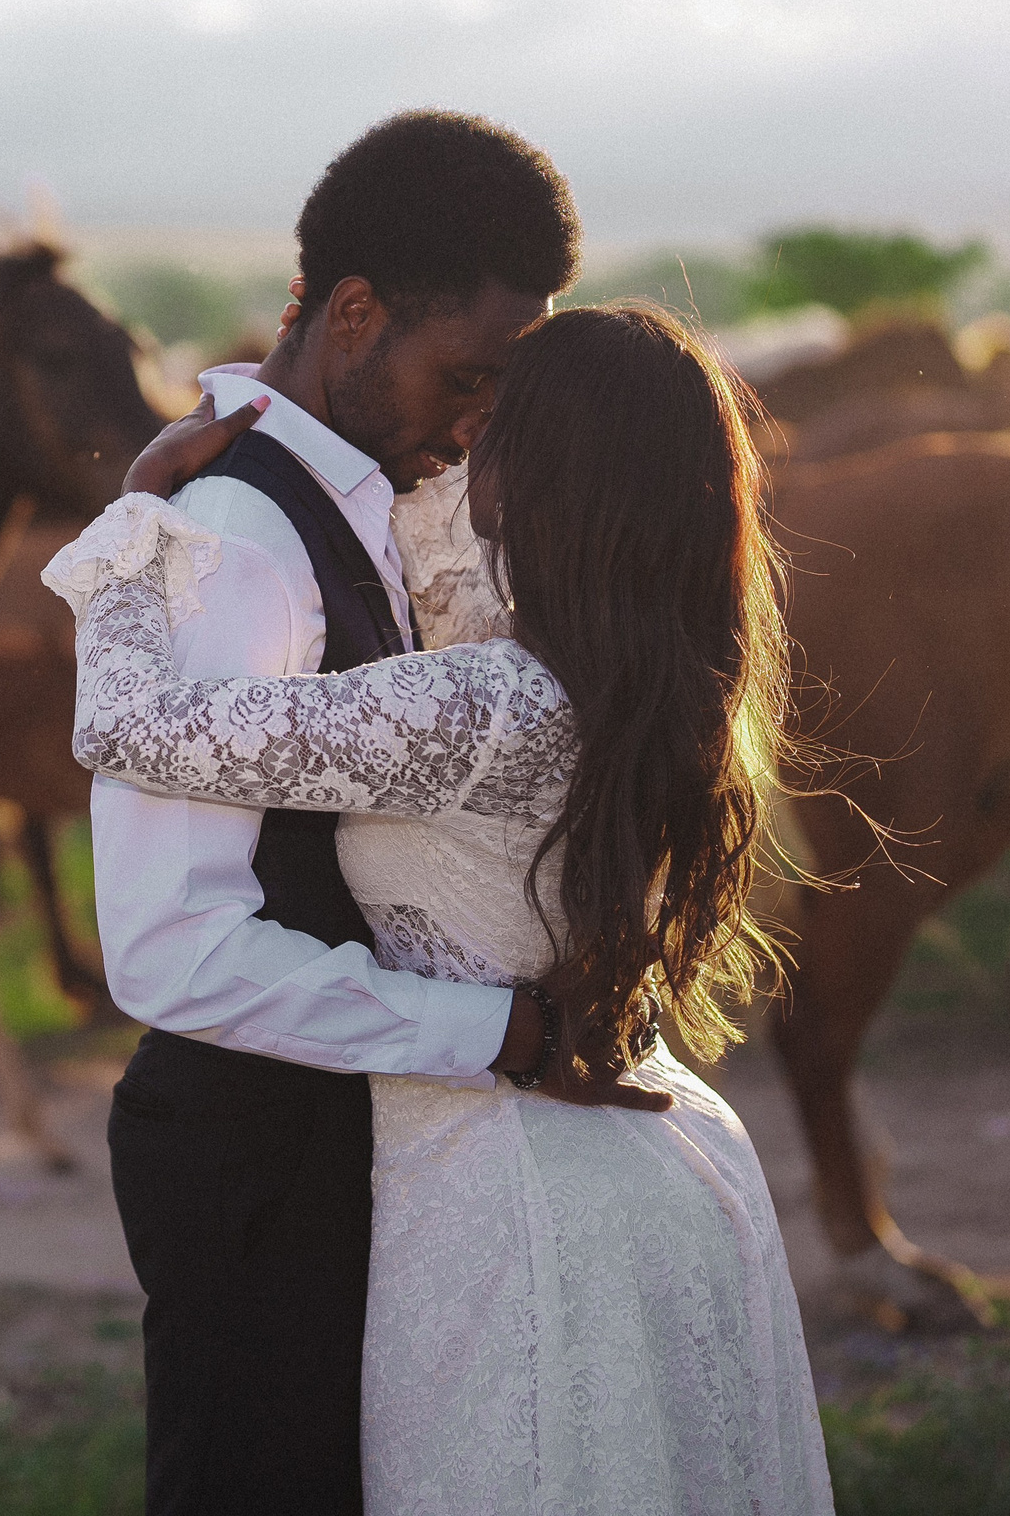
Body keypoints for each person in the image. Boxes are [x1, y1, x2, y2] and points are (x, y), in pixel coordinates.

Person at [51, 300, 833, 1513]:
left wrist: (136, 518)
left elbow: (128, 725)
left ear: (549, 474)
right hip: (653, 1163)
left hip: (507, 1192)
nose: (465, 440)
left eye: (495, 421)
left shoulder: (476, 707)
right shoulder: (648, 670)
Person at [82, 110, 669, 1516]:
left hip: (357, 1129)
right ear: (354, 315)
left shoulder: (373, 497)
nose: (478, 426)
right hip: (257, 1155)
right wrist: (499, 1034)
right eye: (465, 378)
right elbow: (171, 948)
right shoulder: (230, 539)